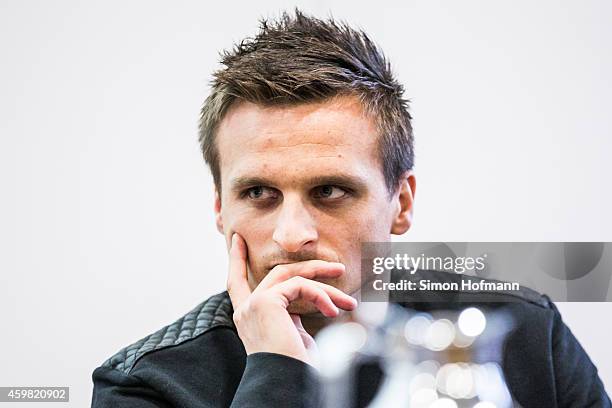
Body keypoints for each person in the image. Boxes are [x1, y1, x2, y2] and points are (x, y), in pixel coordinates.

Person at [91, 9, 610, 407]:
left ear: (401, 203)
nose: (292, 236)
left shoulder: (519, 331)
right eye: (258, 194)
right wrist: (277, 372)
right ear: (220, 210)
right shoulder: (144, 384)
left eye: (331, 191)